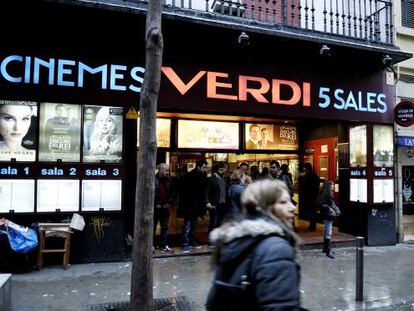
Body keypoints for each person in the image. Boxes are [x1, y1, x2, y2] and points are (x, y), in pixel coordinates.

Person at [206, 179, 305, 310]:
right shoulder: (276, 249)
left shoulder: (235, 240)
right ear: (266, 207)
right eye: (283, 202)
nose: (292, 207)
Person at [178, 159, 209, 253]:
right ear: (198, 167)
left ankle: (191, 241)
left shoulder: (201, 177)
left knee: (193, 224)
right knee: (188, 225)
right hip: (189, 205)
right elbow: (183, 192)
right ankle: (186, 243)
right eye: (204, 167)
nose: (205, 169)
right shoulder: (189, 176)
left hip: (194, 206)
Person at [154, 163, 175, 254]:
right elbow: (150, 193)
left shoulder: (169, 180)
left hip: (165, 207)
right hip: (155, 207)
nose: (167, 172)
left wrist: (168, 203)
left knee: (165, 227)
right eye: (166, 170)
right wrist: (155, 204)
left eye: (167, 170)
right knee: (152, 227)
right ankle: (152, 245)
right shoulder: (153, 179)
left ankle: (163, 245)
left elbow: (172, 193)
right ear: (160, 170)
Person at [206, 163, 229, 244]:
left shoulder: (225, 179)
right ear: (216, 170)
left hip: (223, 204)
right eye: (221, 169)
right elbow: (206, 192)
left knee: (220, 223)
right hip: (214, 205)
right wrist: (208, 202)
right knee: (213, 223)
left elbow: (226, 191)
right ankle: (210, 240)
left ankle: (218, 240)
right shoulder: (211, 179)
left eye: (224, 169)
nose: (223, 171)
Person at [318, 180, 336, 259]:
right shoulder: (324, 193)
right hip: (327, 215)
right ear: (328, 186)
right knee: (328, 232)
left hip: (327, 214)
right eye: (332, 185)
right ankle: (328, 251)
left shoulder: (327, 193)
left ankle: (325, 248)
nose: (333, 186)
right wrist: (329, 208)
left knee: (326, 231)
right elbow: (320, 203)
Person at [301, 162, 320, 232]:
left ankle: (312, 226)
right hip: (314, 197)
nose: (303, 169)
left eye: (304, 167)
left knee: (310, 212)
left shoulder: (308, 176)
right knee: (313, 212)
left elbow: (306, 187)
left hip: (309, 197)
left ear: (306, 168)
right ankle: (313, 225)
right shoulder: (315, 176)